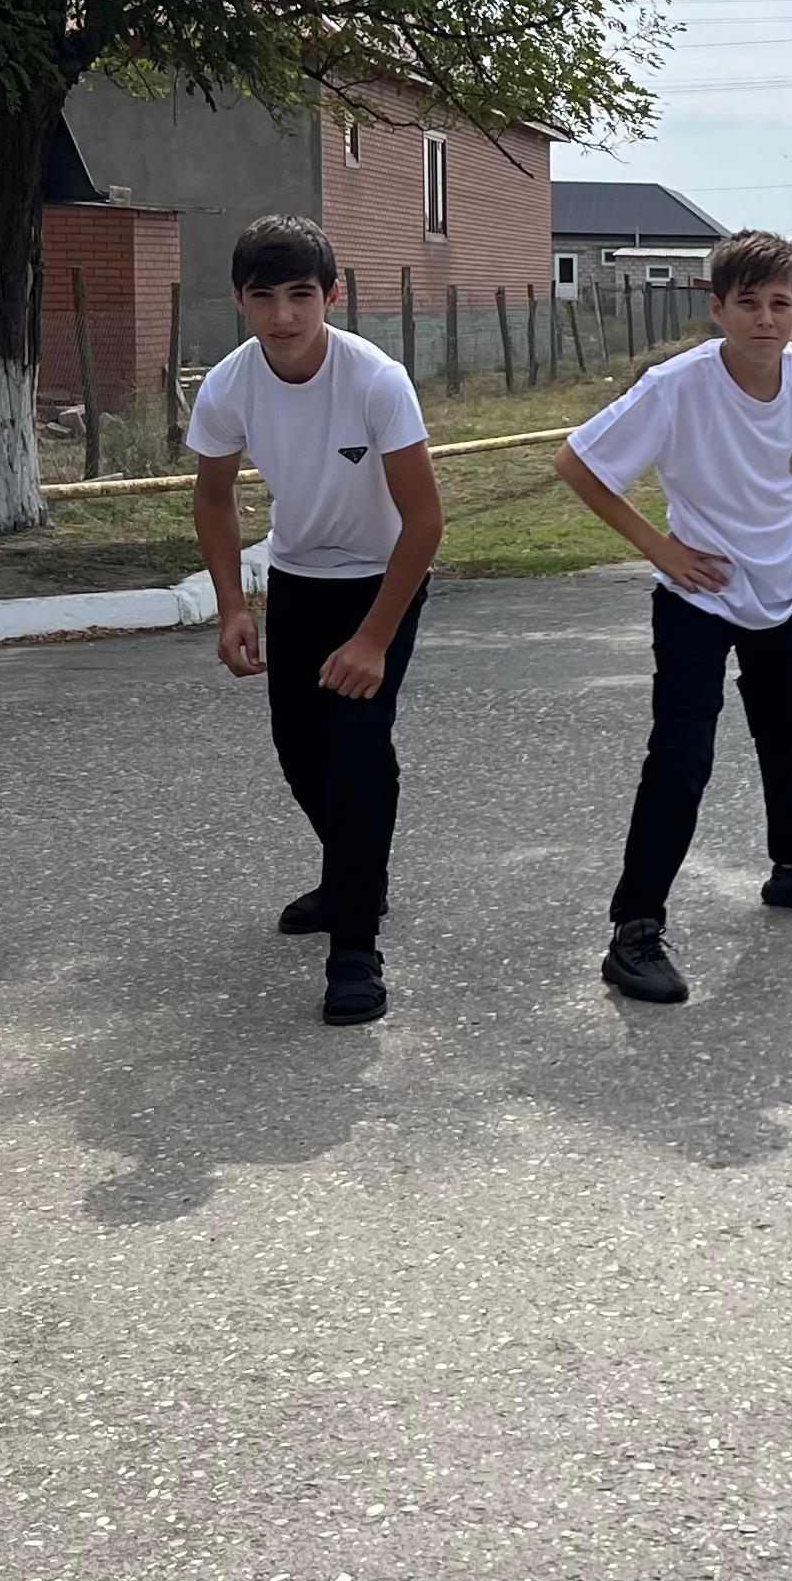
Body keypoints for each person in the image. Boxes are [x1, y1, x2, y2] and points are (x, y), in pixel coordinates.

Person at [556, 229, 792, 1004]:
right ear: (717, 309)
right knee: (682, 757)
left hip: (781, 592)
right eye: (748, 303)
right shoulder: (678, 386)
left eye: (780, 304)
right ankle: (635, 930)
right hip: (698, 596)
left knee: (791, 732)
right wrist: (659, 548)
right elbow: (577, 463)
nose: (765, 319)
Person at [189, 216, 447, 1026]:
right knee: (302, 753)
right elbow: (213, 497)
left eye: (301, 295)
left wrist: (373, 638)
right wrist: (233, 604)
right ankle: (354, 875)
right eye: (263, 297)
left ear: (332, 296)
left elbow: (425, 522)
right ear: (240, 301)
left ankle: (355, 949)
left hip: (383, 582)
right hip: (298, 579)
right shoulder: (228, 385)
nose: (283, 316)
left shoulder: (375, 381)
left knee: (359, 747)